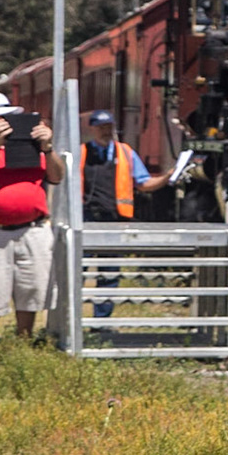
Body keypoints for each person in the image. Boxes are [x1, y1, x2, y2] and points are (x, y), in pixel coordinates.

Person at [0, 93, 64, 339]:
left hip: (33, 229)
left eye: (4, 116)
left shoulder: (34, 146)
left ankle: (23, 341)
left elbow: (57, 177)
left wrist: (47, 149)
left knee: (32, 291)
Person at [81, 111, 169, 317]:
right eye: (101, 127)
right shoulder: (81, 153)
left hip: (115, 220)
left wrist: (167, 177)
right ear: (92, 129)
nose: (106, 131)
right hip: (86, 220)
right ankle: (72, 322)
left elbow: (144, 183)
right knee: (78, 272)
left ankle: (101, 323)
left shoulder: (126, 153)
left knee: (109, 273)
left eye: (109, 127)